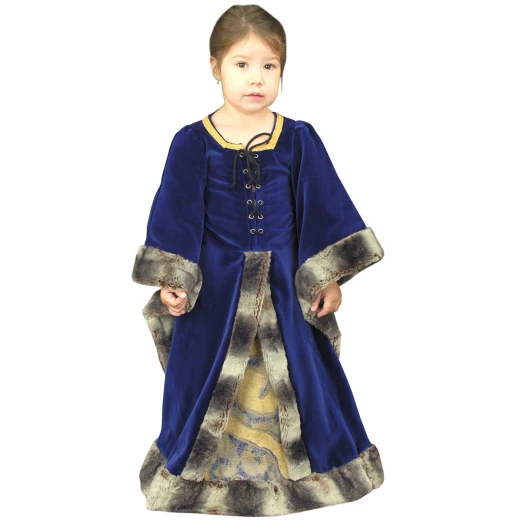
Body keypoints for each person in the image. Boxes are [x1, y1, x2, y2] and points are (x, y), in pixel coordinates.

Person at [131, 4, 385, 516]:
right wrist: (173, 278)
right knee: (208, 383)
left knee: (300, 377)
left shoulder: (298, 138)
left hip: (287, 289)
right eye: (242, 64)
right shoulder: (192, 142)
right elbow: (177, 212)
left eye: (269, 66)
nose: (256, 78)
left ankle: (298, 477)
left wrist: (328, 276)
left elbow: (322, 206)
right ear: (215, 67)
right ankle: (210, 481)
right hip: (215, 295)